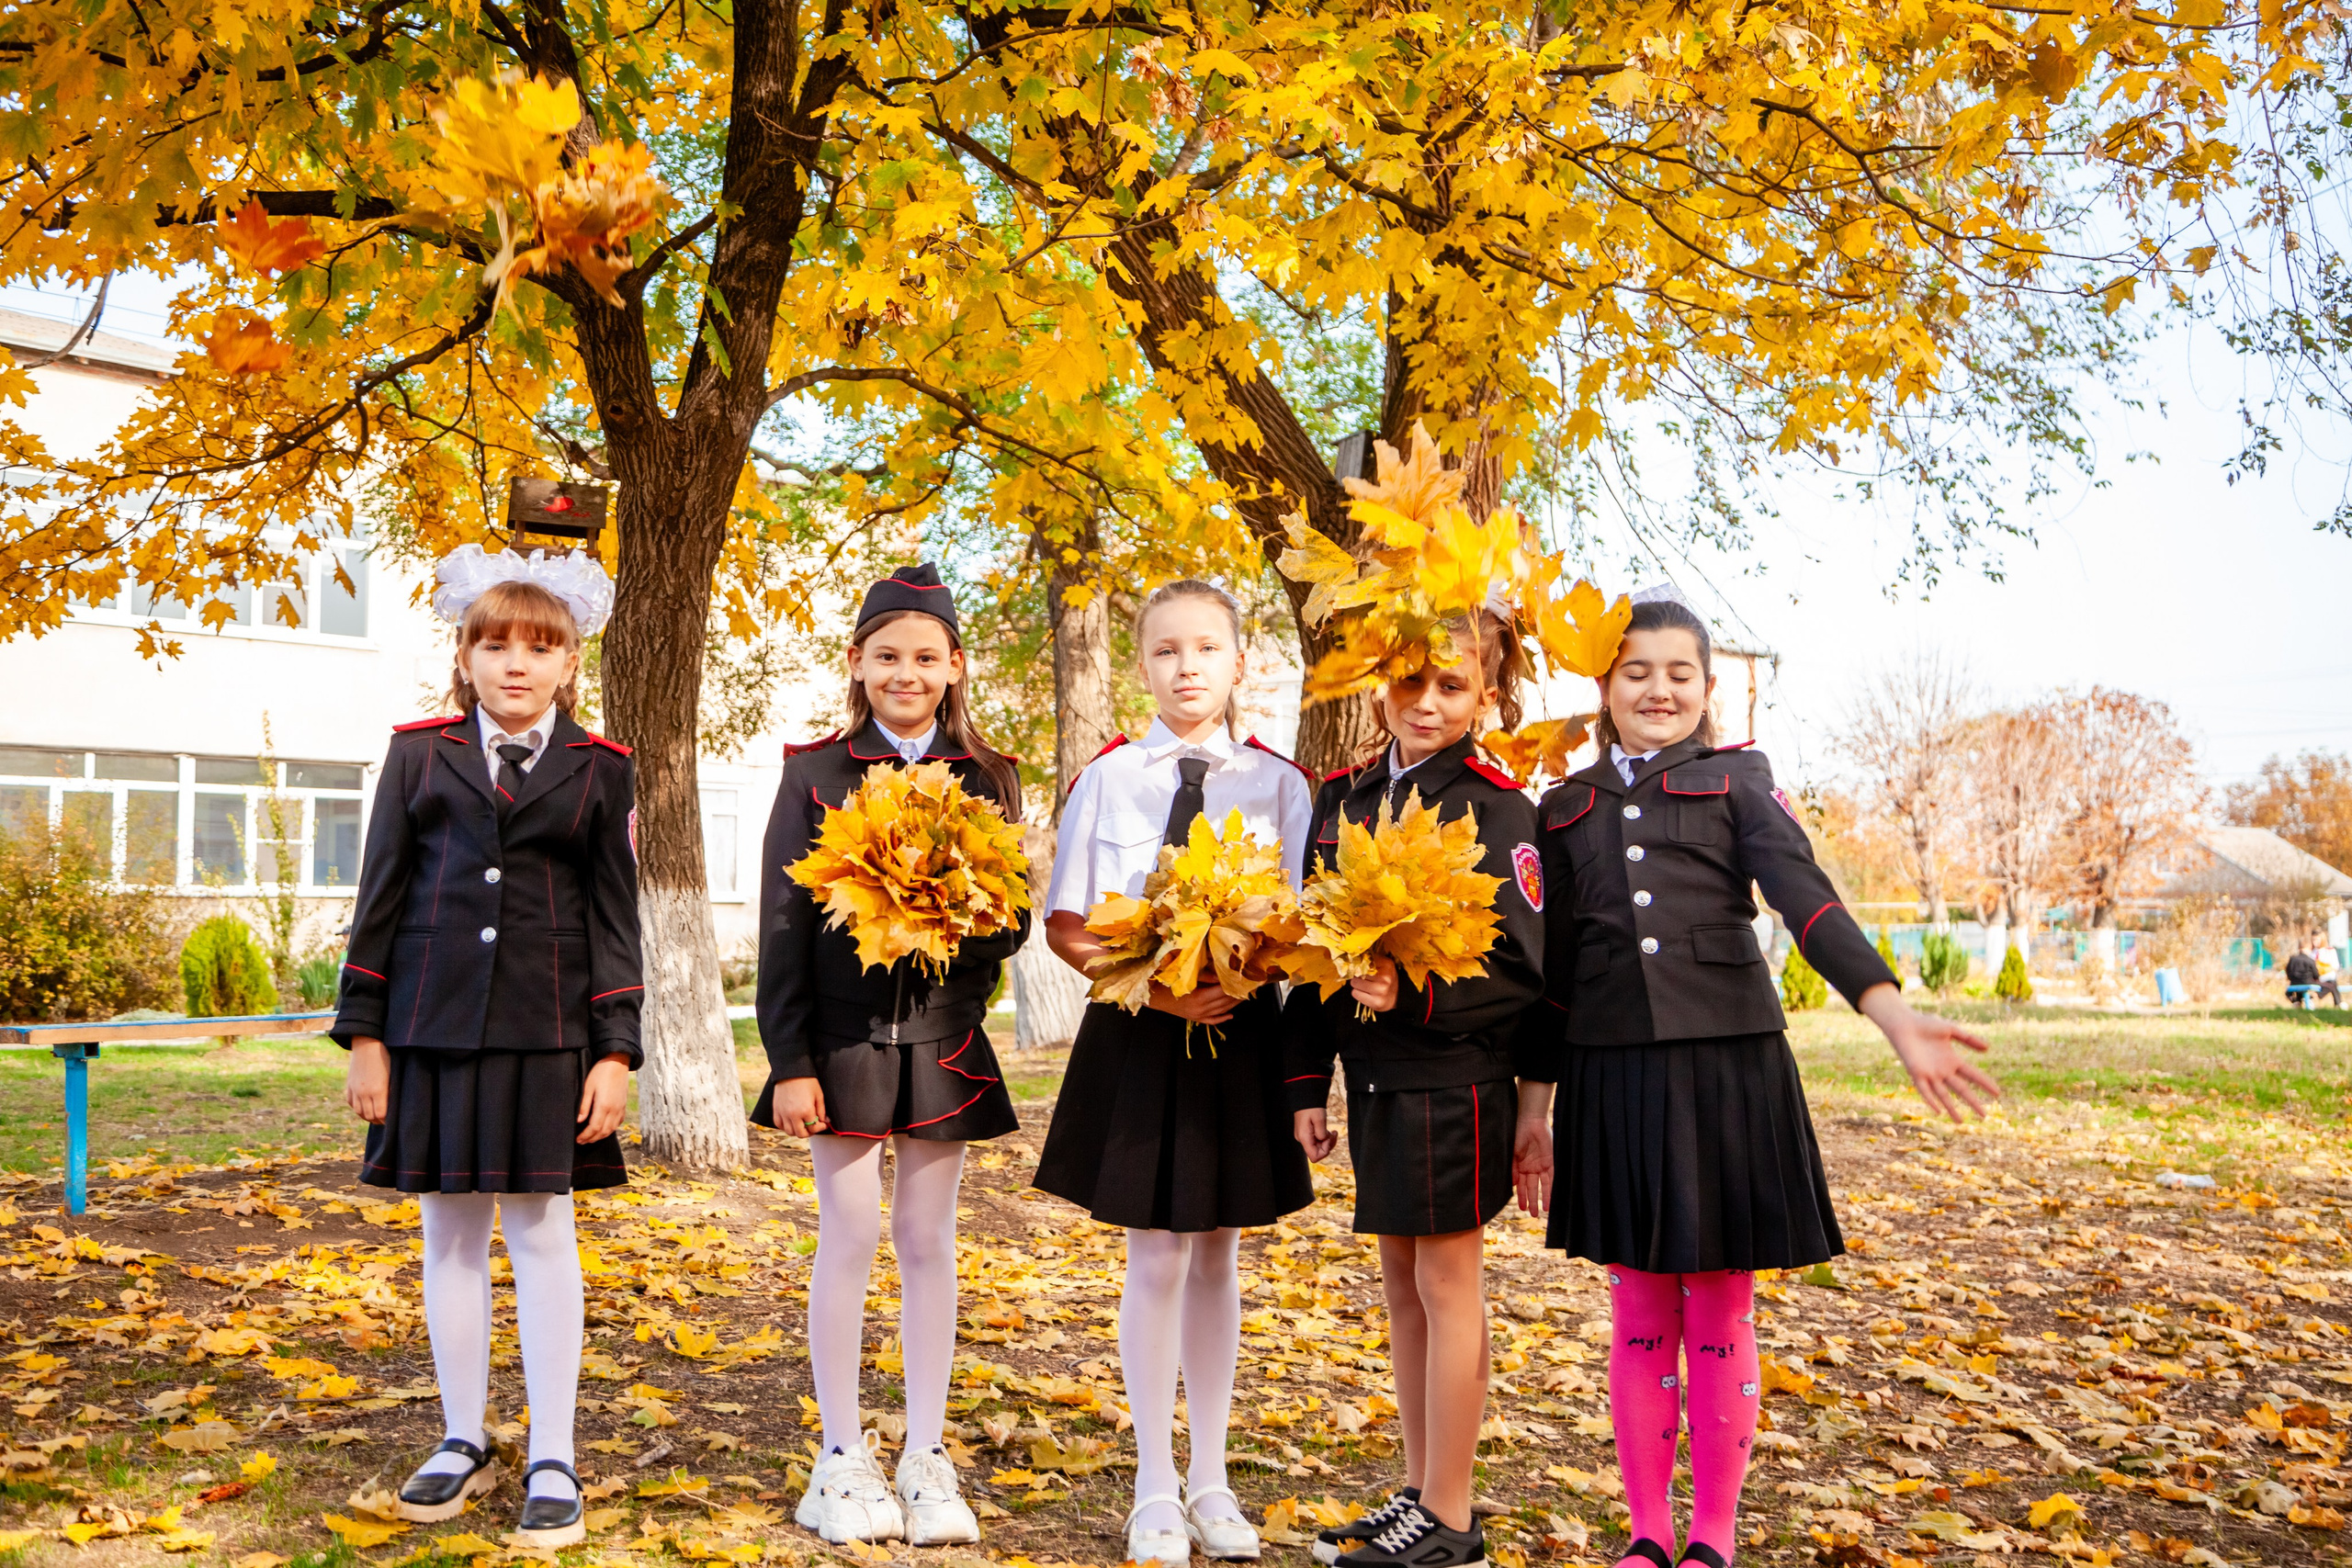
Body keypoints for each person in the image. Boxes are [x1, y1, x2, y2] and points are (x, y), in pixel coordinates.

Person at [1514, 592, 1998, 1568]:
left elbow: (1804, 899)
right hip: (1612, 1077)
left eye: (1678, 673)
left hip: (1727, 1070)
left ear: (1709, 687)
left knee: (1720, 1303)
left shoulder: (1741, 781)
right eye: (1635, 671)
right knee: (1640, 1306)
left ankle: (1713, 1537)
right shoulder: (1561, 808)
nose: (1657, 689)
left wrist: (1890, 1013)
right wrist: (1536, 1112)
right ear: (1602, 685)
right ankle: (1648, 1534)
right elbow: (1554, 979)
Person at [335, 547, 639, 1549]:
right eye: (494, 643)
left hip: (548, 1039)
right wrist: (366, 1036)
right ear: (464, 656)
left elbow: (614, 921)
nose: (516, 662)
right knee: (450, 1235)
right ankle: (461, 1435)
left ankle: (552, 1449)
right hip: (431, 1031)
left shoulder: (602, 771)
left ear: (567, 661)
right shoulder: (420, 753)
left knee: (543, 1233)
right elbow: (380, 898)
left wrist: (614, 1050)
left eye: (538, 646)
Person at [1033, 579, 1317, 1566]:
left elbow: (1298, 930)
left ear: (1240, 664)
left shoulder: (1280, 785)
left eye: (1205, 649)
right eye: (1163, 651)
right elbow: (1066, 925)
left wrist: (1242, 971)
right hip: (1141, 1031)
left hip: (1240, 1033)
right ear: (1142, 665)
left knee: (1219, 1254)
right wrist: (1159, 993)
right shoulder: (1107, 780)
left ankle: (1212, 1479)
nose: (1185, 666)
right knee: (1154, 1254)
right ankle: (1154, 1482)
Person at [752, 564, 1029, 1547]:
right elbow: (781, 930)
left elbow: (1016, 922)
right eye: (886, 656)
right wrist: (789, 1061)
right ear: (857, 665)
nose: (905, 673)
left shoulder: (990, 777)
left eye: (925, 657)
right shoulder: (814, 773)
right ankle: (838, 1455)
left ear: (955, 666)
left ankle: (924, 1452)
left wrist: (961, 916)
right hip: (840, 1044)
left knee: (927, 1243)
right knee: (850, 1233)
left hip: (944, 1040)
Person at [1283, 610, 1547, 1568]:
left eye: (1450, 685)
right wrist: (1307, 1078)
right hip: (1377, 1081)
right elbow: (1317, 946)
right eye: (1408, 681)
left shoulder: (1497, 807)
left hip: (1455, 1079)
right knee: (1400, 1288)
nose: (1426, 702)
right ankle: (1421, 1491)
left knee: (1446, 1285)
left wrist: (1417, 991)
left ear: (1486, 692)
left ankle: (1452, 1514)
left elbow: (1524, 968)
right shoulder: (1345, 800)